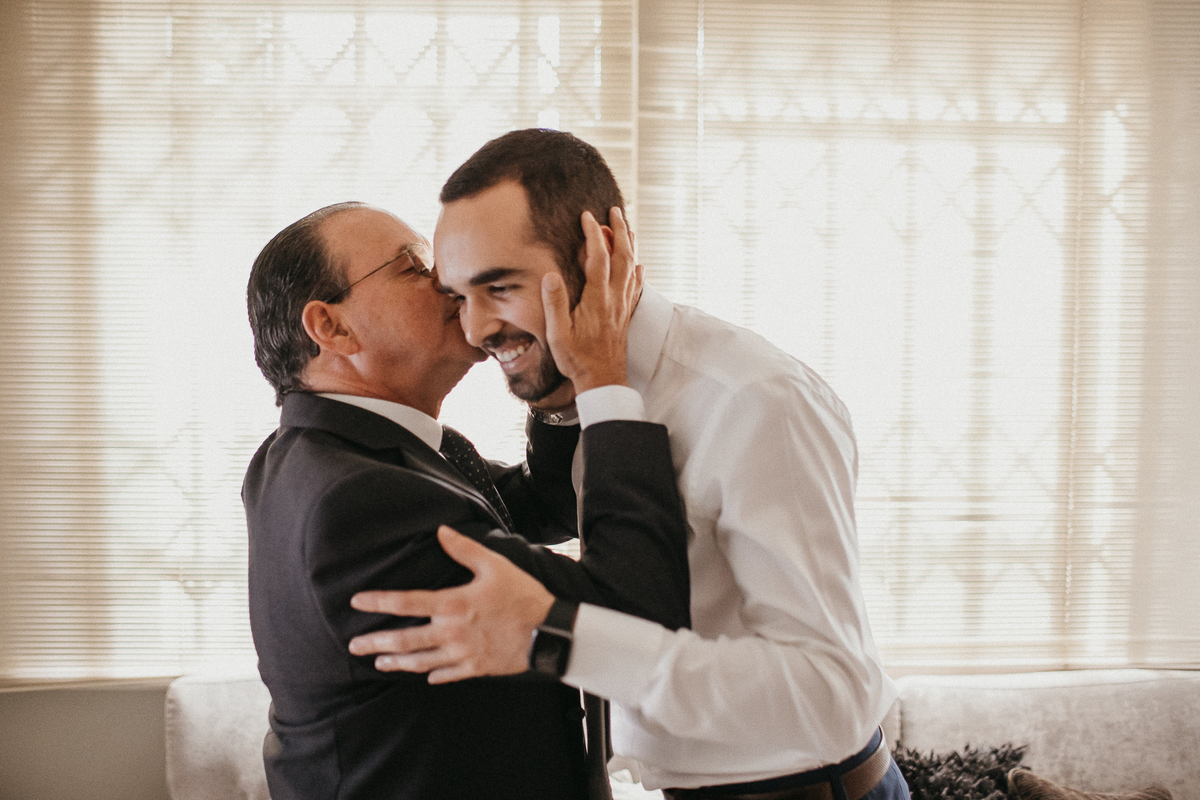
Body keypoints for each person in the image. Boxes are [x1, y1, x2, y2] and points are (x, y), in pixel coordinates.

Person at [349, 129, 911, 800]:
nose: (474, 330)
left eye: (499, 287)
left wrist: (554, 637)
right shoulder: (590, 391)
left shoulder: (756, 401)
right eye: (459, 297)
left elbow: (832, 696)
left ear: (601, 252)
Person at [242, 200, 690, 800]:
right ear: (332, 326)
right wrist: (601, 379)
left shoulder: (327, 453)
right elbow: (633, 608)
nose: (450, 285)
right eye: (415, 268)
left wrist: (545, 373)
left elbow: (532, 507)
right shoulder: (359, 498)